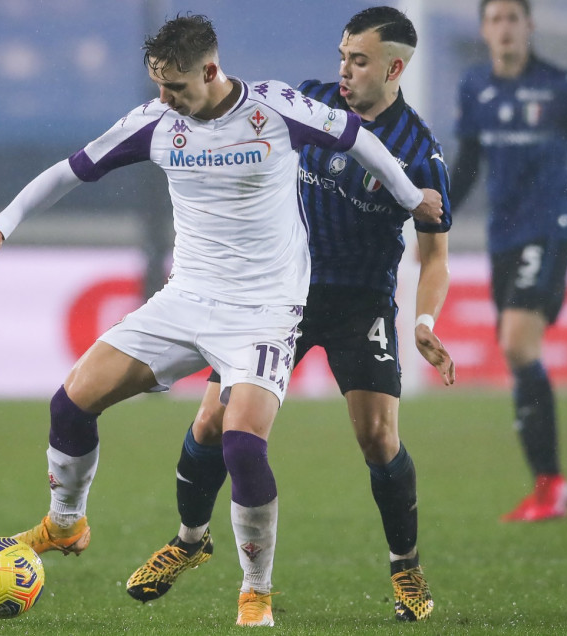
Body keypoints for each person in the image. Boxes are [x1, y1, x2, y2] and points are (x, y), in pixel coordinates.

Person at [0, 14, 444, 628]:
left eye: (177, 87)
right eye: (158, 85)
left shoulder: (274, 109)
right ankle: (66, 523)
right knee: (71, 402)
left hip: (265, 311)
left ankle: (256, 594)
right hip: (186, 299)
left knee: (243, 442)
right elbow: (70, 170)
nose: (165, 99)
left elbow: (357, 138)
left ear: (211, 71)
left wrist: (406, 197)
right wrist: (1, 224)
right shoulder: (156, 124)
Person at [124, 7, 454, 623]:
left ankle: (406, 567)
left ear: (395, 67)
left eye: (359, 60)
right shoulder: (306, 103)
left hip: (360, 301)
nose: (345, 69)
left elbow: (434, 257)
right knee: (211, 423)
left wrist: (425, 322)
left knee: (379, 438)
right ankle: (189, 542)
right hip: (279, 295)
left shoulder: (419, 150)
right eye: (342, 55)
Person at [449, 0, 567, 522]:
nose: (504, 28)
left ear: (529, 26)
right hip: (502, 239)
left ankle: (552, 485)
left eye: (513, 18)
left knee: (515, 340)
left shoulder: (562, 85)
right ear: (484, 30)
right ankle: (546, 485)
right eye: (495, 20)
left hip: (549, 231)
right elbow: (467, 166)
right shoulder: (474, 88)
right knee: (517, 353)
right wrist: (433, 220)